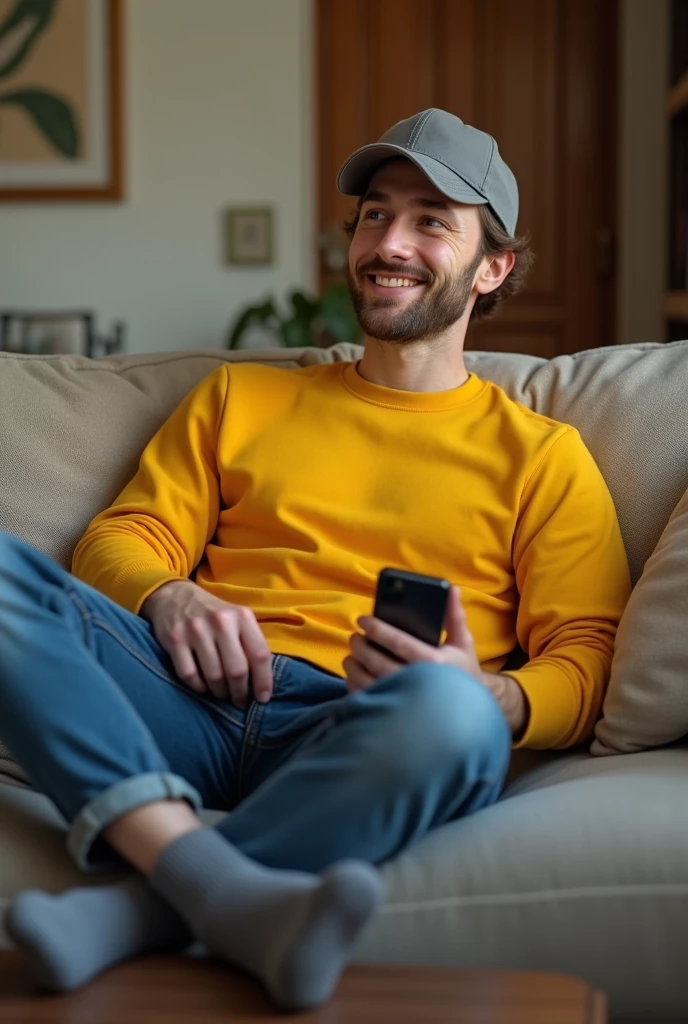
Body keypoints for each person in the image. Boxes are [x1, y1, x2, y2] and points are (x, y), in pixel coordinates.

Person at [0, 109, 631, 1009]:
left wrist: (493, 690)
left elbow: (589, 655)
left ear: (493, 268)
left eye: (431, 222)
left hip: (363, 728)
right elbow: (120, 539)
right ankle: (224, 900)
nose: (391, 242)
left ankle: (140, 907)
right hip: (185, 696)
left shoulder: (542, 456)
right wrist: (170, 598)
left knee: (457, 716)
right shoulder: (239, 396)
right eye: (375, 214)